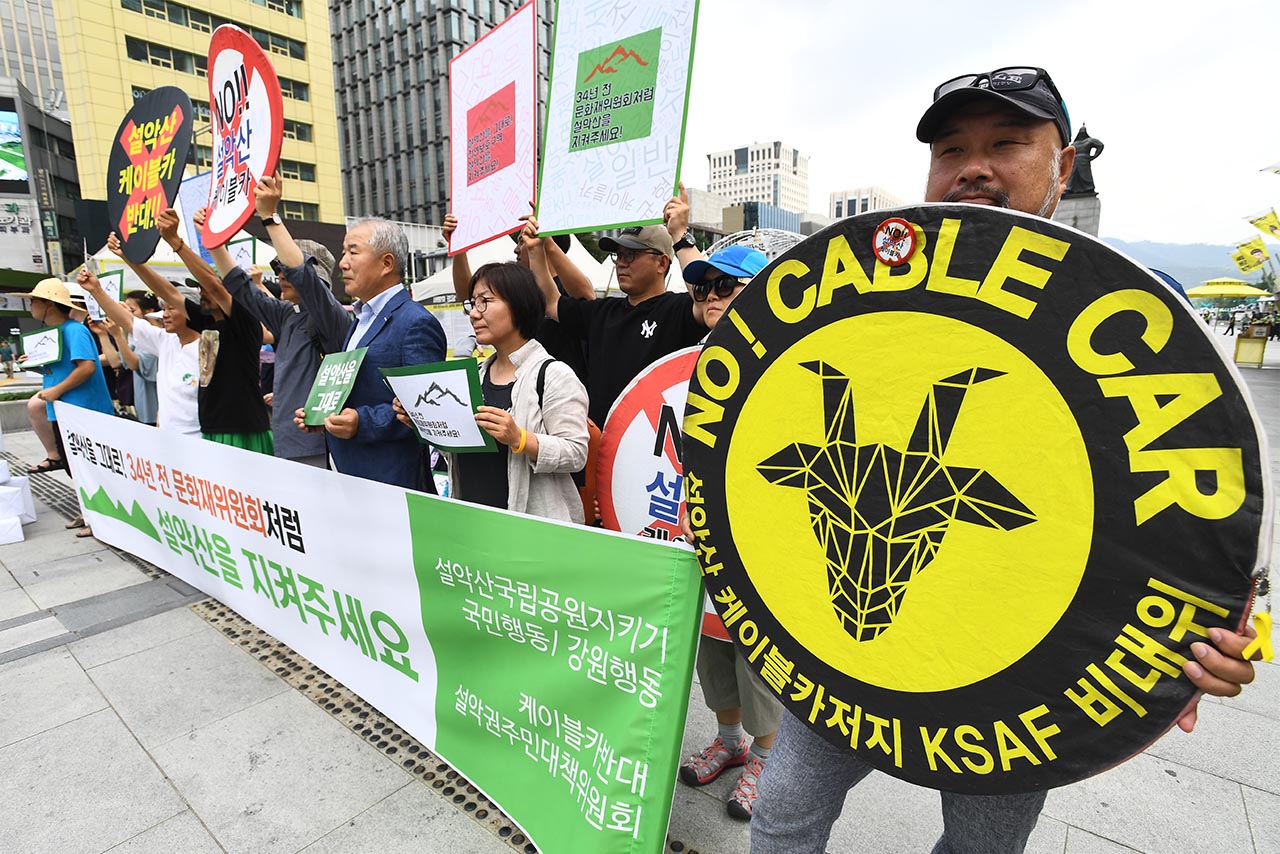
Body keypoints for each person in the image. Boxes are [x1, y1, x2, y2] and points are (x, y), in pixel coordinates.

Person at [750, 65, 1262, 854]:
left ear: (1063, 166)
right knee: (783, 808)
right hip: (845, 651)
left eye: (1007, 143)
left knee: (984, 847)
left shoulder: (1138, 313)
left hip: (1026, 676)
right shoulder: (867, 293)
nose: (973, 166)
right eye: (951, 148)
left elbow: (1201, 504)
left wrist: (1207, 629)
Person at [674, 245, 781, 820]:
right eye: (702, 288)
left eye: (726, 286)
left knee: (757, 647)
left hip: (762, 536)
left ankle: (766, 755)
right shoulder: (696, 359)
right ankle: (731, 739)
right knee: (713, 642)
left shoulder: (782, 355)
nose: (711, 296)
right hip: (704, 526)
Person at [396, 262, 588, 521]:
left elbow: (576, 453)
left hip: (530, 531)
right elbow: (457, 451)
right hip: (473, 523)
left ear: (519, 304)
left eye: (485, 301)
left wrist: (520, 438)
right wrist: (423, 423)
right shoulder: (474, 376)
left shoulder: (553, 375)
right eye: (473, 304)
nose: (474, 313)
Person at [206, 174, 352, 468]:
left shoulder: (330, 315)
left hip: (314, 443)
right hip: (286, 440)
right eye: (279, 272)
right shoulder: (287, 314)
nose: (281, 277)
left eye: (287, 271)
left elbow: (302, 276)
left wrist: (269, 216)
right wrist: (213, 240)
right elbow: (240, 287)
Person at [532, 187, 708, 429]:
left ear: (661, 263)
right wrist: (537, 248)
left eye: (632, 255)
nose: (621, 263)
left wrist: (679, 234)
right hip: (598, 448)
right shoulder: (602, 311)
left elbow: (707, 295)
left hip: (651, 448)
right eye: (619, 255)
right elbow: (552, 303)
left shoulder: (676, 310)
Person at [293, 217, 446, 490]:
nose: (342, 262)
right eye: (343, 252)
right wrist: (324, 416)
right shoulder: (360, 320)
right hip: (348, 473)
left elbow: (426, 410)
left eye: (353, 251)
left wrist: (362, 422)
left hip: (390, 479)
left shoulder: (415, 322)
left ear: (387, 263)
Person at [150, 209, 273, 454]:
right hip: (211, 427)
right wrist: (132, 257)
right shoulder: (206, 322)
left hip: (243, 429)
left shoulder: (243, 319)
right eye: (199, 289)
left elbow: (215, 286)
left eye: (204, 288)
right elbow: (169, 294)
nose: (201, 293)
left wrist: (177, 243)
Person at [14, 277, 114, 537]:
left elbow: (87, 367)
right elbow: (60, 367)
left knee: (91, 467)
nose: (31, 306)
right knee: (75, 466)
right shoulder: (55, 334)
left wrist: (57, 390)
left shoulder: (74, 330)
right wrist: (33, 362)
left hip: (83, 410)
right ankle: (90, 511)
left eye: (34, 301)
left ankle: (103, 517)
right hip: (63, 410)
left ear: (49, 304)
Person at [80, 265, 200, 437]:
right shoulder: (164, 340)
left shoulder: (208, 348)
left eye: (171, 308)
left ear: (191, 310)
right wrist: (96, 290)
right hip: (167, 438)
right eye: (163, 308)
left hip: (199, 441)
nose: (164, 314)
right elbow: (127, 321)